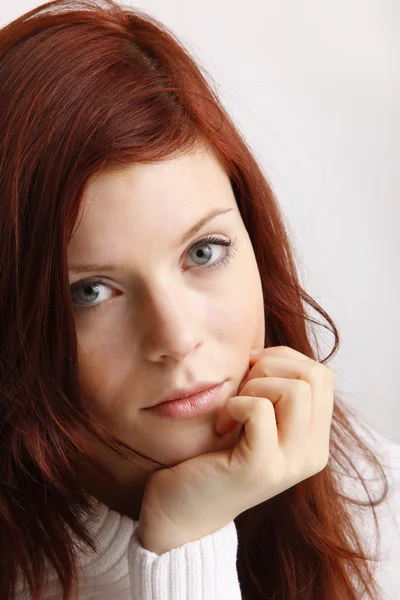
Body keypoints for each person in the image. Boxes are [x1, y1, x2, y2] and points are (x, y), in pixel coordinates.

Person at [0, 0, 398, 598]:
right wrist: (185, 538)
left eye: (203, 252)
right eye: (91, 291)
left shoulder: (374, 501)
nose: (177, 337)